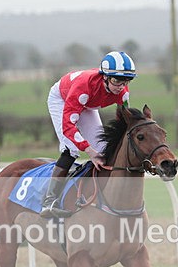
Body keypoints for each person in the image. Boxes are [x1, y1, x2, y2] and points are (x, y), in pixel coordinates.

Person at [39, 51, 136, 218]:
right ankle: (49, 201)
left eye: (126, 81)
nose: (121, 85)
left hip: (88, 104)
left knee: (103, 150)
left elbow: (124, 122)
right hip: (62, 98)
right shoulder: (84, 86)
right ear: (105, 77)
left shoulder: (123, 92)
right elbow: (68, 127)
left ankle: (99, 196)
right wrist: (89, 151)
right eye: (116, 80)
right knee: (71, 148)